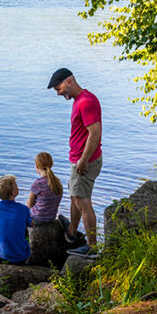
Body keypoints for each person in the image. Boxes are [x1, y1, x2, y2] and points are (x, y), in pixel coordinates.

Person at [47, 67, 102, 256]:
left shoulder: (86, 102)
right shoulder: (80, 100)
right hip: (78, 159)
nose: (58, 93)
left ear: (69, 81)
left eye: (58, 88)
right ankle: (72, 233)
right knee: (74, 195)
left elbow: (95, 133)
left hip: (84, 161)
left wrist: (84, 160)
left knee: (82, 201)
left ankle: (92, 247)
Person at [0, 175, 32, 264]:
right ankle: (17, 251)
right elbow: (31, 224)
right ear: (14, 192)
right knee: (24, 228)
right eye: (16, 186)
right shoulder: (23, 209)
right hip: (20, 259)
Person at [28, 151, 63, 223]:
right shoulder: (57, 182)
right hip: (51, 218)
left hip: (38, 218)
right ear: (51, 164)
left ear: (37, 166)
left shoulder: (37, 184)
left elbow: (29, 205)